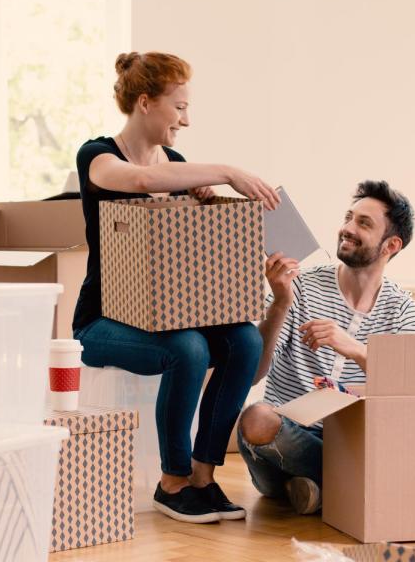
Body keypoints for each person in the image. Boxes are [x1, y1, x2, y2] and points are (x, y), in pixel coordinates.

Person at [72, 51, 280, 524]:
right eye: (179, 107)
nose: (186, 119)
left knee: (245, 338)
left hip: (167, 315)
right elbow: (140, 179)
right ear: (145, 103)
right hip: (103, 322)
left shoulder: (179, 164)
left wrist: (201, 195)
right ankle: (172, 483)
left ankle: (204, 479)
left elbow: (184, 238)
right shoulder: (97, 155)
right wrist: (226, 172)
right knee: (187, 349)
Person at [236, 180, 415, 515]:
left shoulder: (402, 309)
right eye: (349, 218)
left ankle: (311, 488)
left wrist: (355, 349)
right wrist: (279, 304)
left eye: (363, 224)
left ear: (390, 245)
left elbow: (409, 390)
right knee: (256, 419)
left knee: (398, 448)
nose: (347, 229)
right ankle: (338, 485)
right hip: (285, 435)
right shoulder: (301, 286)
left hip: (351, 443)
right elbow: (252, 375)